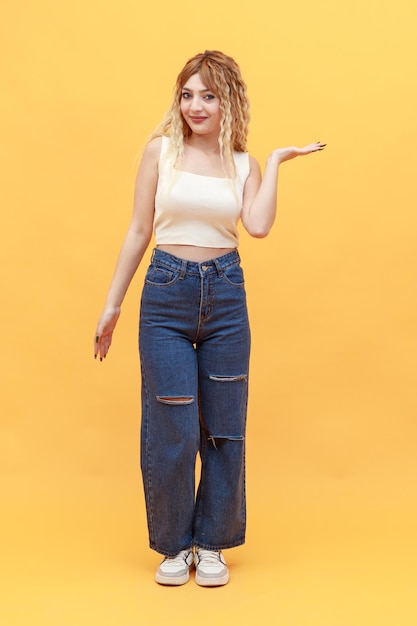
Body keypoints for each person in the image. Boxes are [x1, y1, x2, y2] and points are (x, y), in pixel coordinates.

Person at [94, 50, 325, 587]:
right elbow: (137, 230)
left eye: (208, 95)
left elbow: (259, 226)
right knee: (171, 424)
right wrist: (113, 303)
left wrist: (276, 162)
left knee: (224, 427)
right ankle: (174, 546)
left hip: (225, 296)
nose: (195, 105)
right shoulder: (161, 153)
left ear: (229, 102)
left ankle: (212, 543)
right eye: (187, 94)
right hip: (165, 295)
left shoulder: (244, 164)